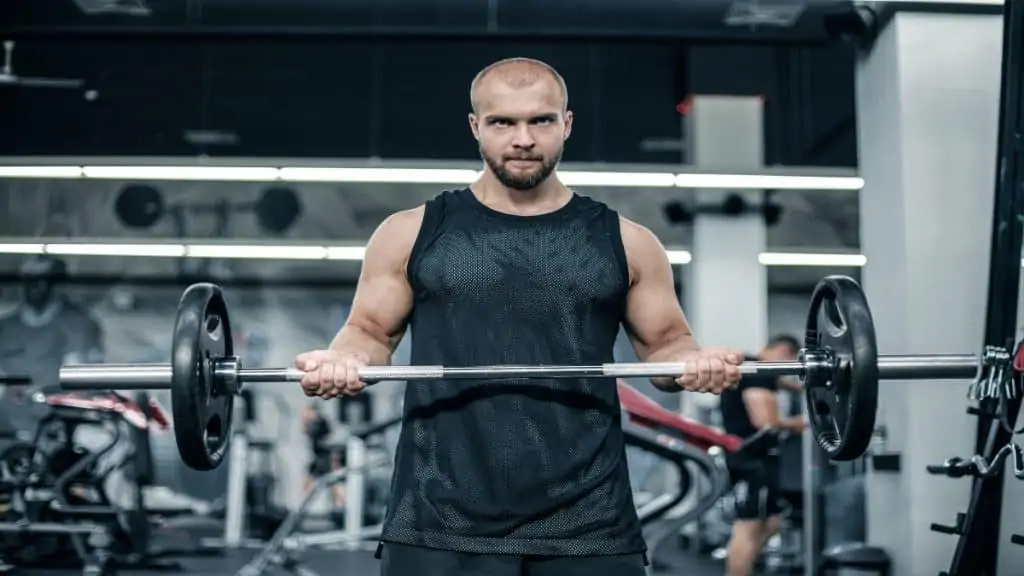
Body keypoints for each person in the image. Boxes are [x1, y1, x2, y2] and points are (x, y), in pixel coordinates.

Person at [294, 57, 745, 576]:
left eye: (541, 120)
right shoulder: (411, 232)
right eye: (503, 122)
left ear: (567, 124)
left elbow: (666, 348)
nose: (523, 138)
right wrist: (343, 360)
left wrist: (695, 364)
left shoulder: (627, 242)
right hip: (441, 516)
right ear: (475, 127)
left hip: (590, 522)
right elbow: (370, 331)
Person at [718, 334, 807, 576]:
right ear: (785, 353)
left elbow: (777, 383)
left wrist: (802, 385)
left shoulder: (753, 368)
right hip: (751, 462)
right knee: (748, 527)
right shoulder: (759, 372)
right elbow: (766, 423)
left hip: (756, 460)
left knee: (772, 522)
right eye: (791, 364)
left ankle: (744, 570)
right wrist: (798, 423)